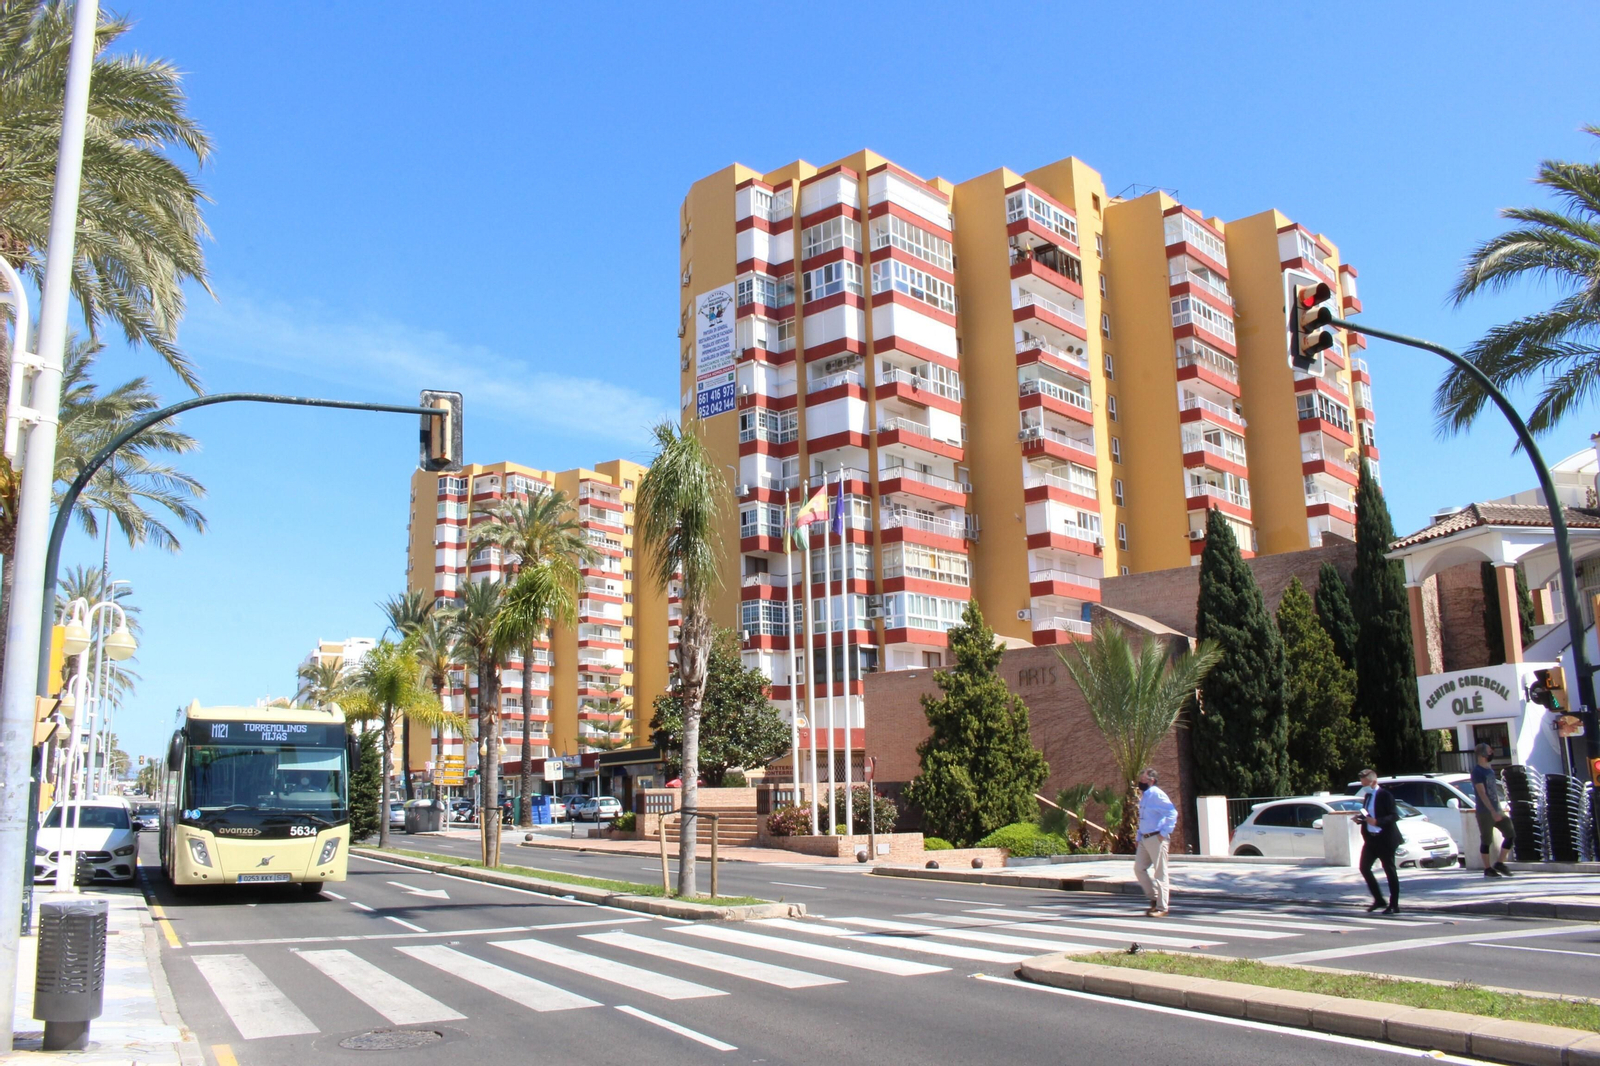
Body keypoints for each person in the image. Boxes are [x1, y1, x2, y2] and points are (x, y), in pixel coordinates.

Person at [1354, 768, 1402, 913]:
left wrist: (1377, 822)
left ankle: (1394, 904)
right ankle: (1379, 899)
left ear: (1374, 781)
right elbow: (1367, 814)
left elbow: (1394, 816)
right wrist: (1361, 819)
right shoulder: (1367, 796)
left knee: (1389, 870)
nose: (1364, 787)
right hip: (1371, 839)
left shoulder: (1385, 795)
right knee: (1364, 867)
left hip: (1385, 838)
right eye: (1362, 784)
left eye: (1366, 783)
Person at [1133, 767, 1176, 917]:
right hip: (1145, 838)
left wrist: (1164, 833)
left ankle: (1162, 907)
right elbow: (1144, 818)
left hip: (1156, 837)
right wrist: (1139, 837)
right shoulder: (1145, 795)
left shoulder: (1157, 794)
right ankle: (1154, 899)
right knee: (1139, 868)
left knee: (1160, 872)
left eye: (1143, 779)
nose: (1140, 781)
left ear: (1151, 780)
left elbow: (1172, 813)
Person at [1471, 743, 1515, 877]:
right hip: (1485, 812)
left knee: (1510, 833)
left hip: (1497, 809)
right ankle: (1487, 868)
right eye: (1489, 751)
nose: (1491, 754)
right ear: (1482, 754)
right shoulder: (1477, 772)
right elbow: (1482, 793)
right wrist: (1492, 811)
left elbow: (1493, 791)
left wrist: (1499, 808)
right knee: (1486, 839)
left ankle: (1500, 863)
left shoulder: (1489, 770)